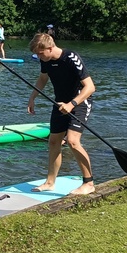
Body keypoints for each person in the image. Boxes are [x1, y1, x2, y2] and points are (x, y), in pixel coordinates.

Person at [27, 32, 96, 195]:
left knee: (72, 141)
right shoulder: (46, 60)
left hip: (79, 102)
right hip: (60, 103)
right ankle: (50, 182)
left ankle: (89, 183)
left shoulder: (71, 57)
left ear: (50, 48)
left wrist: (72, 104)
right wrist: (32, 98)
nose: (38, 56)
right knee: (53, 142)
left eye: (40, 53)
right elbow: (43, 78)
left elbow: (90, 87)